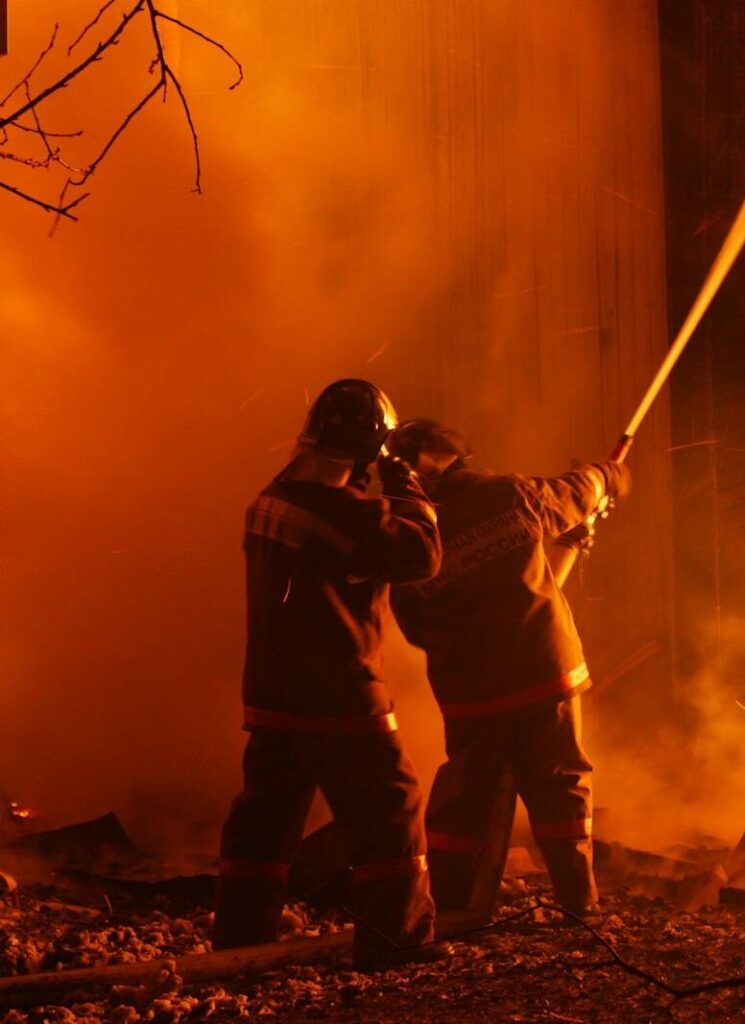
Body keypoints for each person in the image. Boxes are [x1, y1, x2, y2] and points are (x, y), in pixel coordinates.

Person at [213, 379, 444, 968]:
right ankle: (396, 941)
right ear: (370, 451)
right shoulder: (342, 513)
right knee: (393, 807)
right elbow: (421, 555)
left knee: (264, 823)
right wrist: (405, 482)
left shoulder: (271, 496)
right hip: (339, 694)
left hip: (273, 692)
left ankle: (240, 943)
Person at [386, 420, 630, 916]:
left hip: (471, 692)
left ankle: (452, 907)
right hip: (543, 675)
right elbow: (575, 492)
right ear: (452, 456)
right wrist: (608, 476)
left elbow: (415, 627)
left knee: (464, 799)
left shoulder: (407, 533)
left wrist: (568, 545)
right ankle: (578, 906)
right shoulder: (507, 495)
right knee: (561, 786)